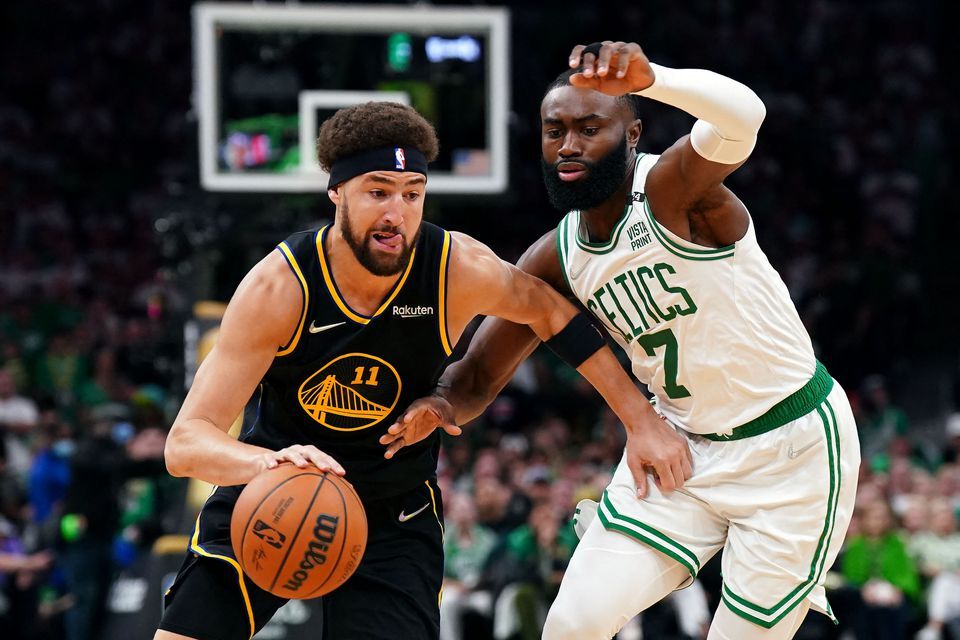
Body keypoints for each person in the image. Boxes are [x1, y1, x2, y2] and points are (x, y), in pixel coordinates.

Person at [155, 101, 689, 640]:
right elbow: (185, 445)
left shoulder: (455, 268)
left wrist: (641, 422)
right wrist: (269, 464)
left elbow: (552, 312)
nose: (397, 213)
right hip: (274, 501)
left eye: (412, 193)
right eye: (378, 191)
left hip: (394, 515)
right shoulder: (280, 287)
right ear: (336, 192)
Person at [385, 41, 861, 639]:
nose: (569, 146)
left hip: (789, 447)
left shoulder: (671, 189)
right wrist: (442, 405)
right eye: (554, 130)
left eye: (590, 128)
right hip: (679, 448)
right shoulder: (555, 256)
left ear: (632, 134)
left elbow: (744, 117)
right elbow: (478, 375)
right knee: (571, 624)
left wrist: (655, 77)